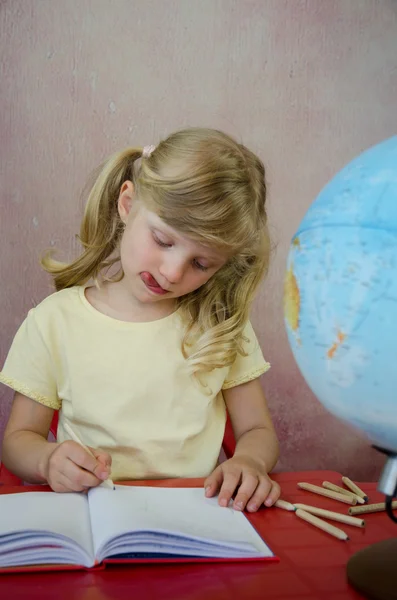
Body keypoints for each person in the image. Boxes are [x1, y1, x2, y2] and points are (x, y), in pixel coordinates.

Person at [0, 128, 280, 512]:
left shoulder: (220, 324)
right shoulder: (54, 321)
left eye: (201, 263)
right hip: (90, 515)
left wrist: (250, 461)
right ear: (128, 204)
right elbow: (18, 440)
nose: (172, 272)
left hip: (196, 518)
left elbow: (257, 430)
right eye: (164, 241)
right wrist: (48, 461)